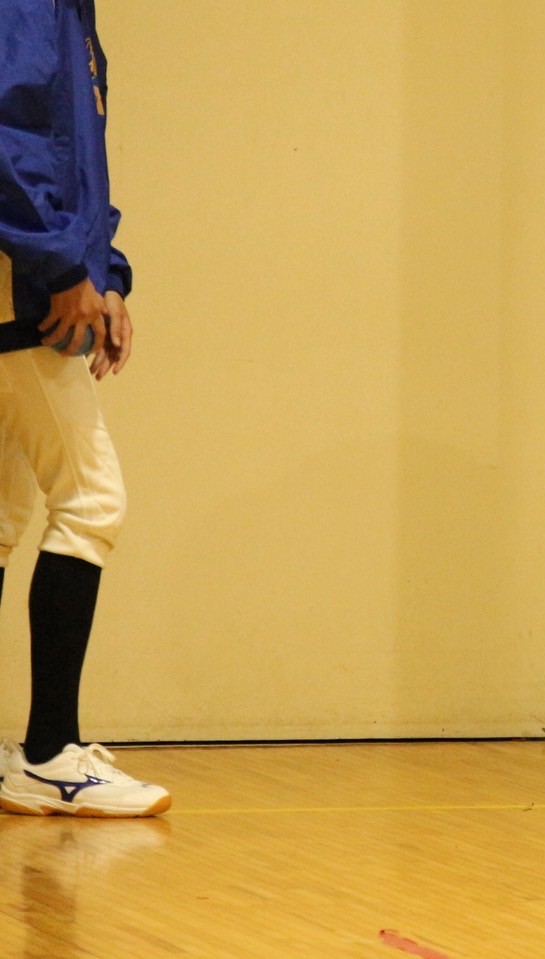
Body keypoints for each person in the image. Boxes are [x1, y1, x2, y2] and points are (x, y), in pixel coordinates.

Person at [0, 0, 169, 817]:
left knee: (0, 515)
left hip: (39, 274)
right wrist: (68, 268)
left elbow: (76, 159)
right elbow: (12, 140)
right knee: (91, 501)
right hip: (19, 287)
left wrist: (107, 273)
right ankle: (50, 752)